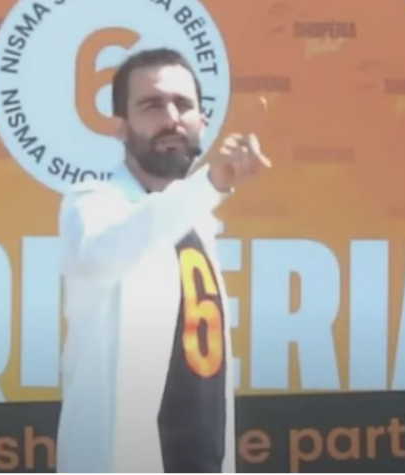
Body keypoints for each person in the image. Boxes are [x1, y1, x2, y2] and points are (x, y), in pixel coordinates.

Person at [56, 47, 271, 473]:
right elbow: (102, 256)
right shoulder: (94, 203)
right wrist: (211, 183)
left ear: (202, 122)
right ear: (120, 127)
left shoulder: (198, 222)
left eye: (183, 105)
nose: (171, 118)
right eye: (152, 105)